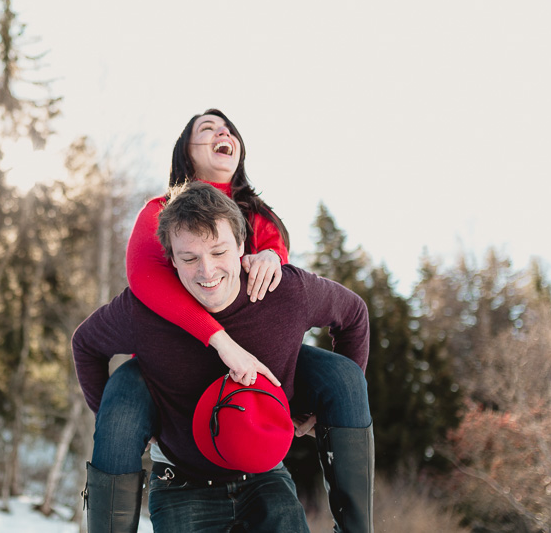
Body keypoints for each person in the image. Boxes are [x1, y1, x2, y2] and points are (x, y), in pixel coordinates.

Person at [85, 109, 375, 532]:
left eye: (228, 129)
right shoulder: (162, 213)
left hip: (255, 377)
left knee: (341, 377)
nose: (222, 132)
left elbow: (281, 279)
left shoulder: (260, 217)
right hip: (177, 362)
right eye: (207, 129)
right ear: (185, 151)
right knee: (123, 395)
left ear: (238, 242)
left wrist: (309, 412)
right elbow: (146, 282)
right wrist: (220, 340)